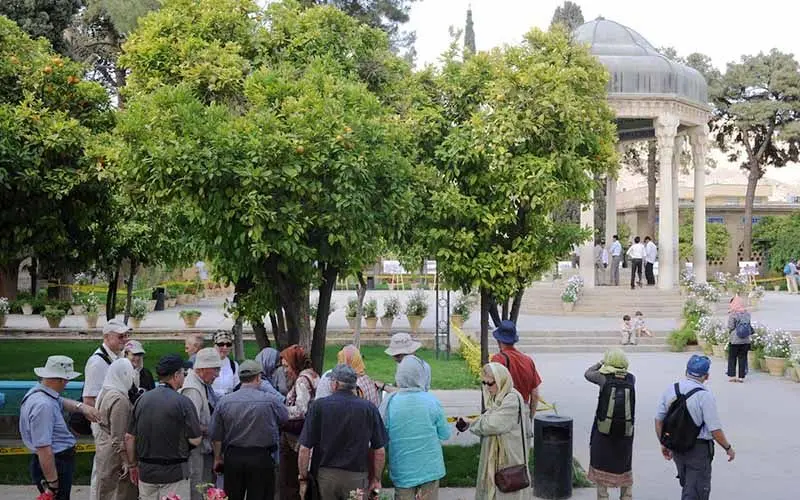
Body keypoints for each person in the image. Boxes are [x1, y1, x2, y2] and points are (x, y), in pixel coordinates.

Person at [298, 365, 388, 499]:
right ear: (354, 385)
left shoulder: (319, 406)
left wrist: (303, 478)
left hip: (326, 477)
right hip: (357, 477)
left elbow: (304, 449)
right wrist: (376, 479)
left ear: (335, 384)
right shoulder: (368, 408)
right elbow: (379, 450)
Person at [655, 355, 735, 500]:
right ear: (706, 376)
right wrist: (728, 448)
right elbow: (715, 429)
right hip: (698, 449)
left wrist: (663, 443)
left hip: (676, 446)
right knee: (696, 490)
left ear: (686, 371)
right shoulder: (705, 396)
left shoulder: (671, 389)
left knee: (687, 485)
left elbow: (658, 419)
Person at [20, 356, 101, 500]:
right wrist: (52, 483)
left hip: (56, 461)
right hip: (56, 463)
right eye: (66, 379)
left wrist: (81, 407)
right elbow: (44, 448)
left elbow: (60, 401)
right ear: (59, 380)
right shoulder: (44, 406)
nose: (67, 383)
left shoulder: (40, 392)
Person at [125, 354, 201, 500]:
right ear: (176, 375)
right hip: (175, 474)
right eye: (183, 373)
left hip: (147, 473)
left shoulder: (141, 400)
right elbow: (196, 440)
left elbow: (129, 437)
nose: (184, 376)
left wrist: (133, 465)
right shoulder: (183, 402)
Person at [211, 360, 288, 500]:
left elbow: (216, 434)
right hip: (261, 457)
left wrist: (217, 458)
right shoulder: (270, 401)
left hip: (233, 456)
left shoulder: (224, 402)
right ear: (258, 377)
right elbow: (284, 419)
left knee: (233, 496)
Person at [379, 356, 450, 499]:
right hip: (430, 469)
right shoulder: (432, 401)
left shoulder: (390, 402)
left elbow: (382, 438)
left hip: (403, 470)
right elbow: (445, 434)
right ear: (421, 375)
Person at [465, 363, 532, 500]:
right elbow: (490, 419)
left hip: (508, 458)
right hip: (497, 456)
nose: (487, 387)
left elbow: (493, 424)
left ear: (501, 380)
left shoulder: (511, 399)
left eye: (490, 383)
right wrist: (471, 422)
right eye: (484, 383)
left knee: (507, 492)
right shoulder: (499, 396)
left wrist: (473, 424)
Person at [83, 318, 131, 499]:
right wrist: (103, 429)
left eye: (126, 335)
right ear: (106, 337)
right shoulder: (97, 362)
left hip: (115, 422)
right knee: (103, 471)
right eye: (120, 336)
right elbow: (89, 400)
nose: (124, 339)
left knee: (113, 471)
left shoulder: (118, 356)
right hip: (104, 426)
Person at [585, 349, 636, 500]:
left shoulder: (603, 377)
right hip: (626, 431)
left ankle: (603, 496)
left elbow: (587, 373)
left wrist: (601, 362)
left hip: (603, 428)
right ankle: (626, 496)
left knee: (602, 461)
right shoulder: (631, 378)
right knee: (624, 462)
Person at [179, 348, 222, 500]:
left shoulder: (201, 384)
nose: (218, 375)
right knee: (198, 489)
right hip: (195, 451)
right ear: (202, 368)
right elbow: (191, 426)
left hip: (203, 449)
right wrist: (214, 429)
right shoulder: (193, 389)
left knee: (205, 488)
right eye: (215, 369)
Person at [94, 359, 138, 500]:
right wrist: (128, 462)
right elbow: (118, 438)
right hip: (115, 458)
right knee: (118, 492)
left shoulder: (106, 391)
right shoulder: (120, 400)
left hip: (104, 448)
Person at [279, 345, 319, 500]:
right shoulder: (312, 374)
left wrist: (281, 411)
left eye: (286, 366)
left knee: (289, 477)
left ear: (295, 363)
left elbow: (301, 409)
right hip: (306, 431)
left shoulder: (302, 380)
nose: (284, 370)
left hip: (295, 435)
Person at [490, 320, 542, 416]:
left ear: (498, 340)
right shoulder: (528, 360)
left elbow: (492, 390)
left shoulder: (498, 359)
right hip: (523, 412)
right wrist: (529, 417)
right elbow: (535, 395)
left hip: (504, 412)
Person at [726, 296, 752, 383]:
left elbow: (730, 326)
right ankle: (741, 377)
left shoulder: (733, 314)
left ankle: (732, 376)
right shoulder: (747, 314)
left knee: (732, 358)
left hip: (734, 340)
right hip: (746, 340)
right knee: (743, 358)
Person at [211, 330, 239, 398]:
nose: (225, 347)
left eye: (228, 344)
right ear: (214, 345)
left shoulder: (234, 365)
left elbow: (237, 387)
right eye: (221, 344)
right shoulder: (207, 363)